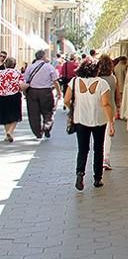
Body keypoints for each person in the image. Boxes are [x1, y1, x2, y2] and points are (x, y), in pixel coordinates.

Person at [64, 59, 115, 191]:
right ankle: (97, 178)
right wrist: (111, 121)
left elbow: (66, 100)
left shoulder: (74, 82)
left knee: (83, 148)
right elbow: (106, 104)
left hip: (80, 119)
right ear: (96, 70)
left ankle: (80, 173)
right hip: (99, 120)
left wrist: (74, 107)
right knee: (98, 148)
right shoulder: (102, 83)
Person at [21, 50, 58, 140]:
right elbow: (55, 80)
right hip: (46, 92)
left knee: (34, 113)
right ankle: (47, 126)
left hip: (32, 92)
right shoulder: (49, 67)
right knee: (48, 111)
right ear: (43, 57)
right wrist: (59, 92)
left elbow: (25, 79)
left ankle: (38, 132)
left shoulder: (30, 67)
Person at [95, 55, 120, 171]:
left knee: (98, 135)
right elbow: (117, 95)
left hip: (98, 109)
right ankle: (106, 158)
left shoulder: (96, 79)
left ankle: (98, 157)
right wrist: (118, 107)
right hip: (111, 108)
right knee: (108, 134)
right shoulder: (113, 78)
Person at [0, 57, 22, 141]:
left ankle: (7, 133)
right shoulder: (17, 73)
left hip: (2, 96)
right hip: (14, 96)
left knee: (5, 116)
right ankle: (10, 131)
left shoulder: (0, 73)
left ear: (5, 64)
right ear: (15, 65)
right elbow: (21, 84)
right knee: (15, 116)